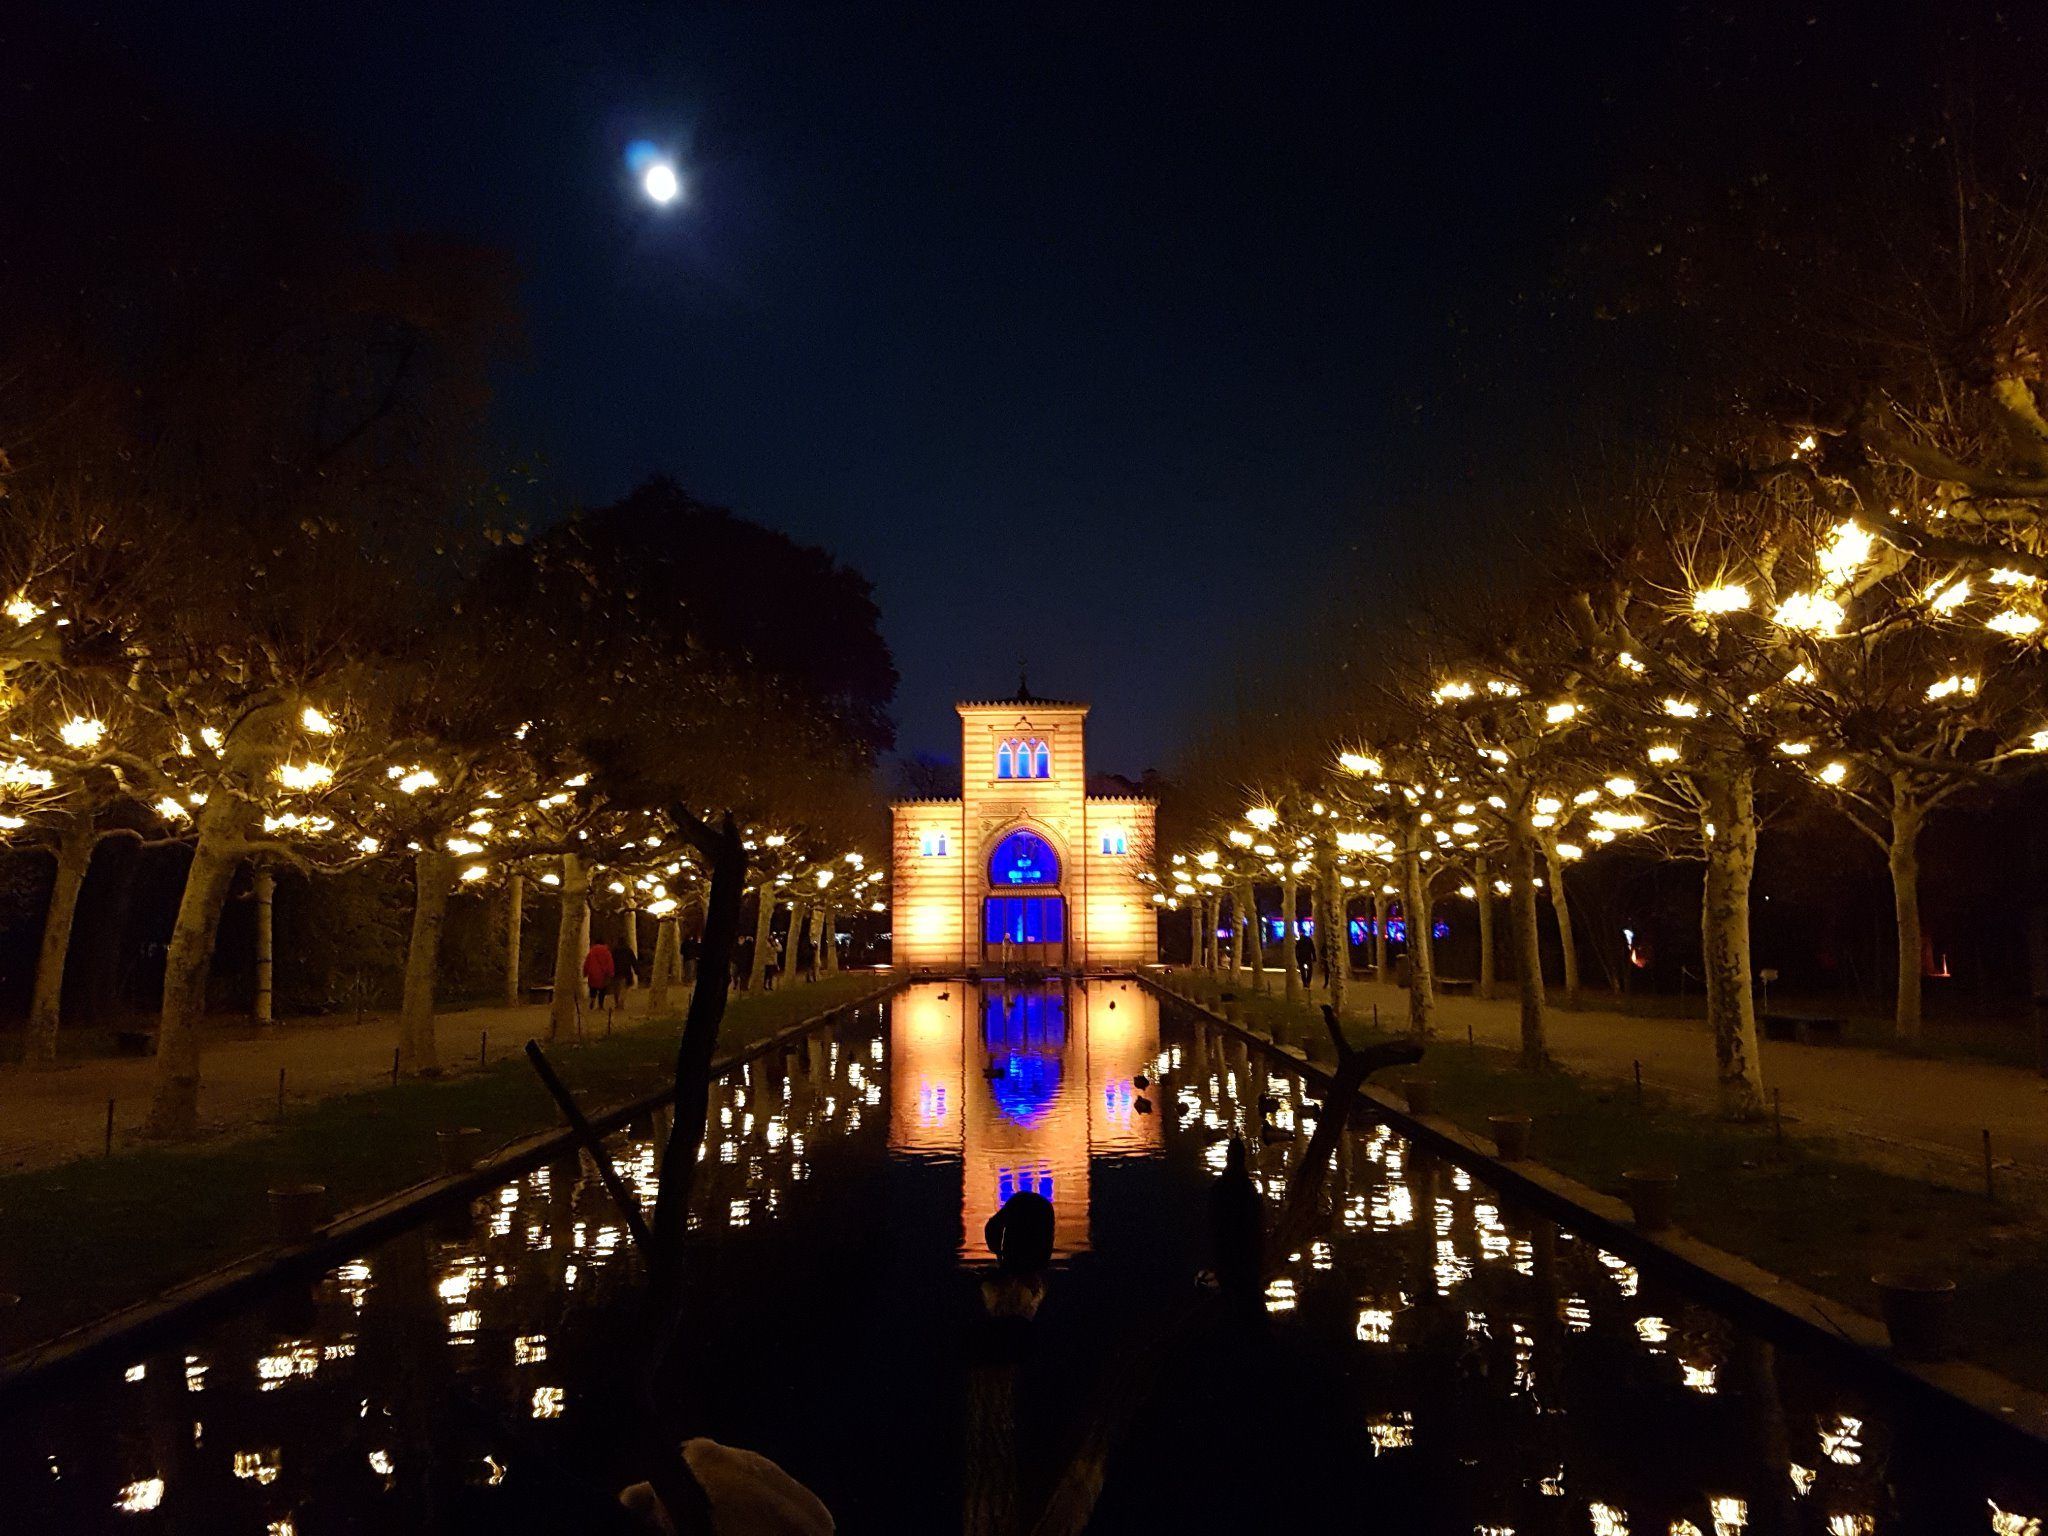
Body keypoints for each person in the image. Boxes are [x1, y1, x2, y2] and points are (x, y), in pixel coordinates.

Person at [582, 939, 616, 1017]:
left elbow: (587, 963)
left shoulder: (591, 952)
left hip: (592, 973)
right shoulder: (607, 952)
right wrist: (611, 973)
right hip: (603, 974)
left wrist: (585, 973)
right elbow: (610, 963)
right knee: (602, 991)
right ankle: (600, 1005)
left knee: (593, 989)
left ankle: (592, 999)